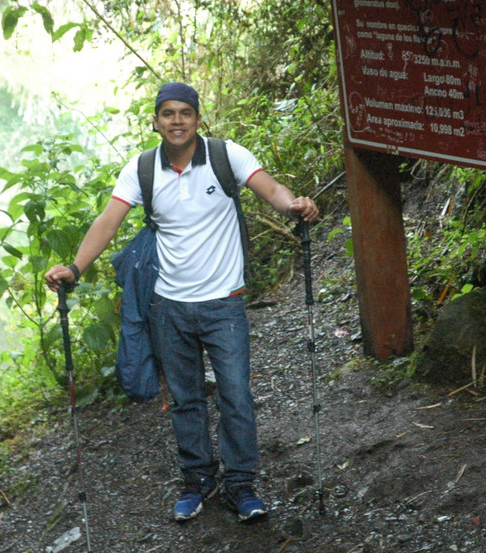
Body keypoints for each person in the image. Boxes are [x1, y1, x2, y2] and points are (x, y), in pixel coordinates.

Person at [45, 82, 319, 522]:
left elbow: (270, 190)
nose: (176, 121)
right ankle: (198, 479)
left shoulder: (227, 157)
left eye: (185, 113)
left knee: (235, 395)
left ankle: (241, 484)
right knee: (186, 398)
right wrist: (74, 269)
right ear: (155, 121)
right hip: (168, 305)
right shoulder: (142, 170)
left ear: (197, 118)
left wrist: (296, 206)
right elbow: (108, 221)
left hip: (223, 302)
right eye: (168, 113)